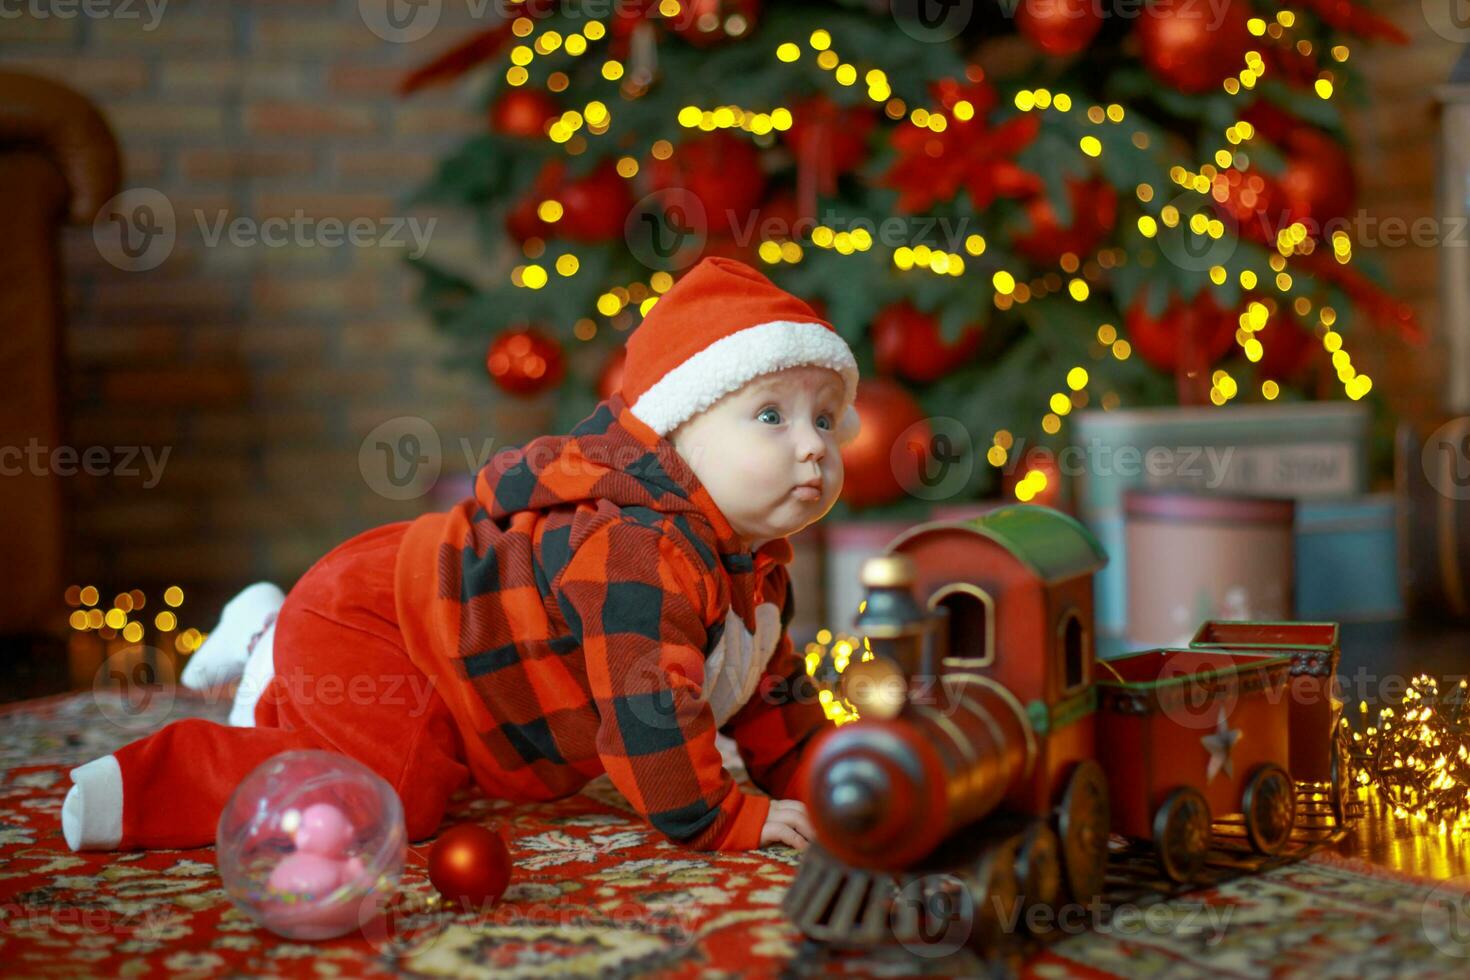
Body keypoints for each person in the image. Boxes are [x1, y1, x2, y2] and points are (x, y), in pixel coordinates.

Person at [61, 256, 860, 855]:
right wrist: (727, 819)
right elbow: (648, 719)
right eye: (770, 416)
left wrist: (828, 777)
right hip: (377, 622)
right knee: (387, 803)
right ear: (674, 429)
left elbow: (768, 691)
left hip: (447, 656)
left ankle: (268, 635)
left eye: (826, 421)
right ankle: (152, 781)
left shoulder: (750, 563)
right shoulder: (637, 551)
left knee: (417, 766)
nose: (812, 447)